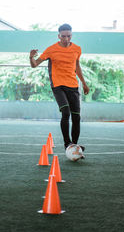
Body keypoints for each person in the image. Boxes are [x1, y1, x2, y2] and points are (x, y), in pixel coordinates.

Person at [29, 23, 89, 151]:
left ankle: (74, 144)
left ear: (71, 35)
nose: (66, 39)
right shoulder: (51, 49)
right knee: (66, 112)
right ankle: (67, 144)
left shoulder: (77, 49)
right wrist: (31, 57)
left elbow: (77, 66)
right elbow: (35, 65)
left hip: (73, 85)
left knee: (76, 117)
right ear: (59, 36)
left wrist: (83, 83)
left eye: (68, 36)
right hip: (58, 85)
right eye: (63, 36)